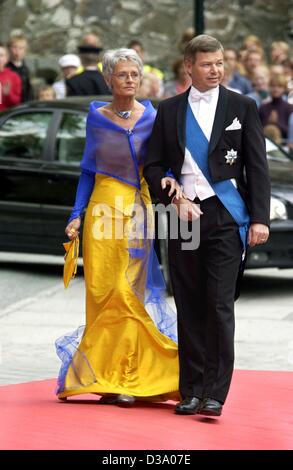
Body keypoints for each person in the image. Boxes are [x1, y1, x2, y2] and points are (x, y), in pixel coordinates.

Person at [144, 35, 271, 417]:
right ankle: (191, 390)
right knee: (189, 302)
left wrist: (261, 218)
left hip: (225, 215)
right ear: (189, 67)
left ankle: (215, 392)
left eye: (219, 63)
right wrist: (171, 197)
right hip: (183, 217)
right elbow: (152, 166)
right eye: (207, 64)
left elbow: (257, 166)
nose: (215, 70)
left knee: (218, 305)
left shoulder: (242, 106)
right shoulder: (168, 110)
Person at [56, 48, 181, 406]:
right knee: (102, 294)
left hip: (136, 214)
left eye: (134, 75)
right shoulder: (96, 118)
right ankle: (105, 378)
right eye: (123, 74)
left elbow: (162, 164)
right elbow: (87, 170)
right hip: (100, 213)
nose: (130, 80)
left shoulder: (153, 117)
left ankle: (128, 376)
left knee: (128, 293)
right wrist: (75, 215)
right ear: (109, 78)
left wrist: (171, 183)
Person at [7, 35, 33, 102]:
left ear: (25, 51)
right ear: (9, 49)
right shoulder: (5, 68)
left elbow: (29, 91)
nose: (17, 51)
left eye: (21, 48)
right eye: (14, 47)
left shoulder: (25, 69)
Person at [0, 44, 22, 111]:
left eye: (1, 55)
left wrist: (8, 94)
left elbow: (17, 102)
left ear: (6, 59)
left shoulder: (14, 77)